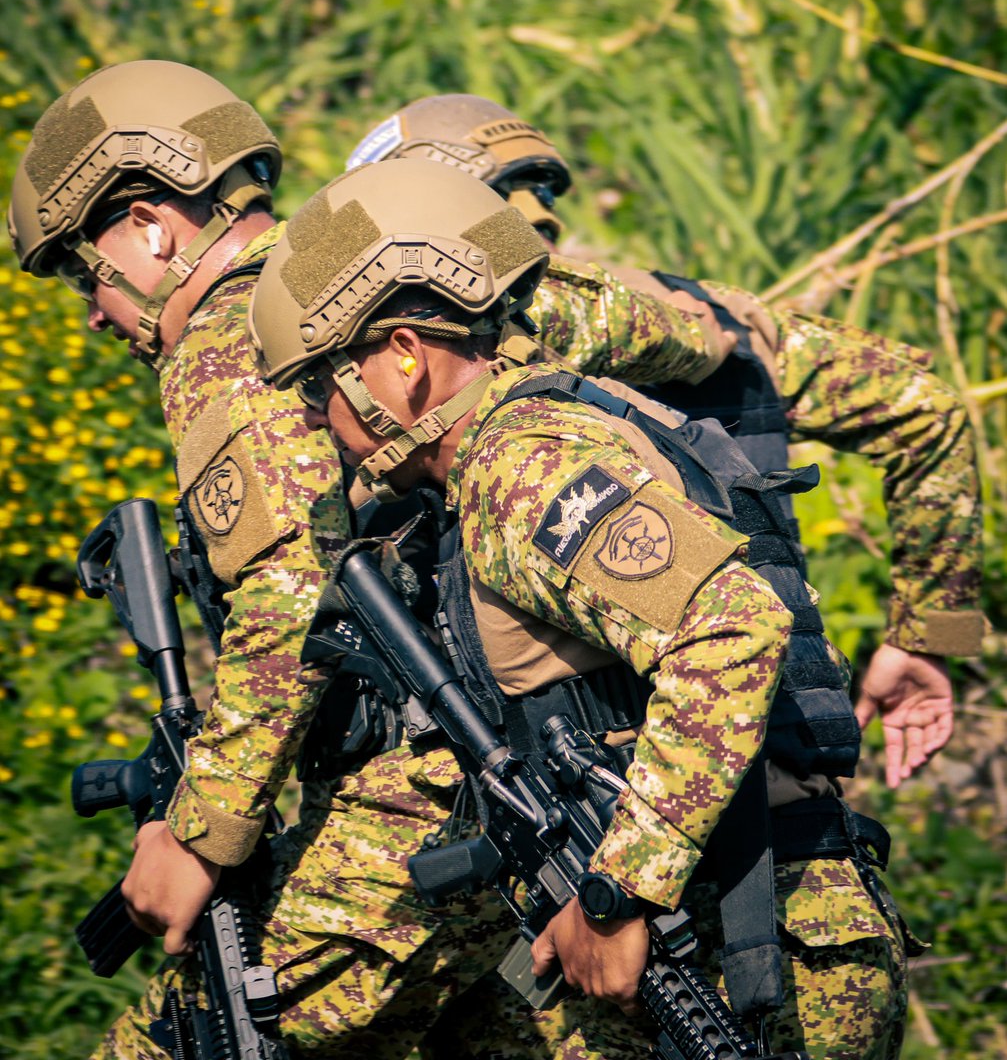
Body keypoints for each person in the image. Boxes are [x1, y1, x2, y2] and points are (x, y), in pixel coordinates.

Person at [7, 60, 737, 1058]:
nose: (96, 312)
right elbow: (680, 328)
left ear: (149, 225)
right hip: (532, 784)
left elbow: (289, 586)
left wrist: (196, 832)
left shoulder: (227, 340)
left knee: (184, 1041)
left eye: (84, 273)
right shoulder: (381, 278)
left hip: (424, 802)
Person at [248, 157, 913, 1060]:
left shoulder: (522, 463)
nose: (314, 419)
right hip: (735, 932)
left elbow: (732, 625)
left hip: (752, 956)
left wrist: (617, 893)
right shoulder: (536, 438)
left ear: (401, 356)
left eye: (316, 385)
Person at [351, 92, 985, 790]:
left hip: (546, 782)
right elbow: (924, 407)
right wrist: (929, 633)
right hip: (770, 755)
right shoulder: (697, 312)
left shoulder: (424, 343)